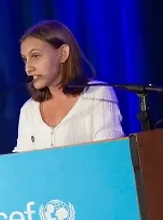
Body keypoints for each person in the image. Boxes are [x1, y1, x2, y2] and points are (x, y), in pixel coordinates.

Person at [14, 20, 124, 152]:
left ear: (63, 54)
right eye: (25, 59)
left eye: (35, 56)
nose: (28, 68)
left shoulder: (98, 95)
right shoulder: (28, 110)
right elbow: (22, 166)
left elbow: (109, 155)